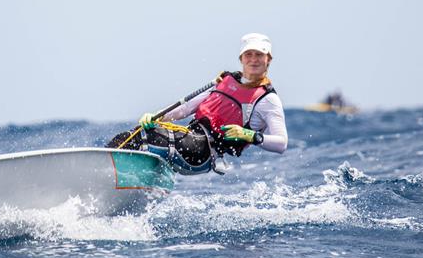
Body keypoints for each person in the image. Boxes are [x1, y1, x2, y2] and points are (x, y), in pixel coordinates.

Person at [106, 33, 288, 175]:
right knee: (137, 132)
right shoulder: (224, 81)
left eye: (259, 55)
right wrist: (156, 116)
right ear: (241, 58)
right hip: (191, 137)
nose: (254, 59)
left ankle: (106, 169)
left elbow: (282, 144)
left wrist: (250, 135)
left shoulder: (268, 100)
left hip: (205, 153)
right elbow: (186, 108)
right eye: (249, 54)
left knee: (146, 137)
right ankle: (107, 166)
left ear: (269, 59)